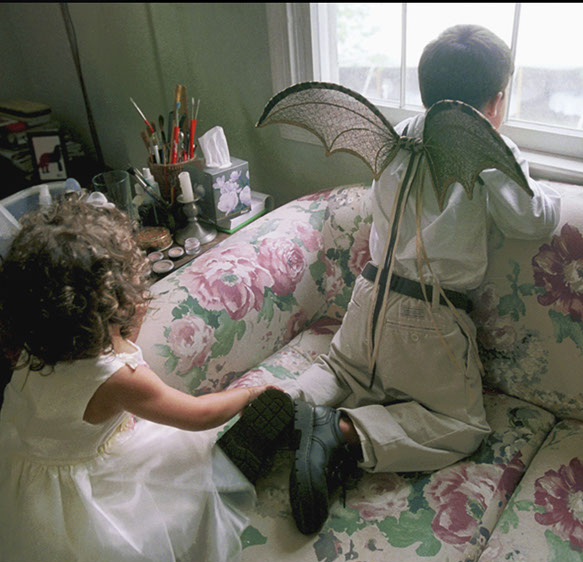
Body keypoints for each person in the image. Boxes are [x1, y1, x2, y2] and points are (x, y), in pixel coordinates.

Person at [220, 24, 561, 535]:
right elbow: (535, 220)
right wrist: (503, 160)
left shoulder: (399, 135)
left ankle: (290, 406)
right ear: (496, 104)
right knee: (462, 427)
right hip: (430, 318)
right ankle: (340, 431)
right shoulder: (489, 152)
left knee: (341, 368)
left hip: (368, 296)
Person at [0, 195, 278, 562]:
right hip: (82, 493)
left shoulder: (35, 347)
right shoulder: (118, 379)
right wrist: (250, 394)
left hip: (23, 477)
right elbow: (199, 415)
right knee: (186, 486)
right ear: (116, 302)